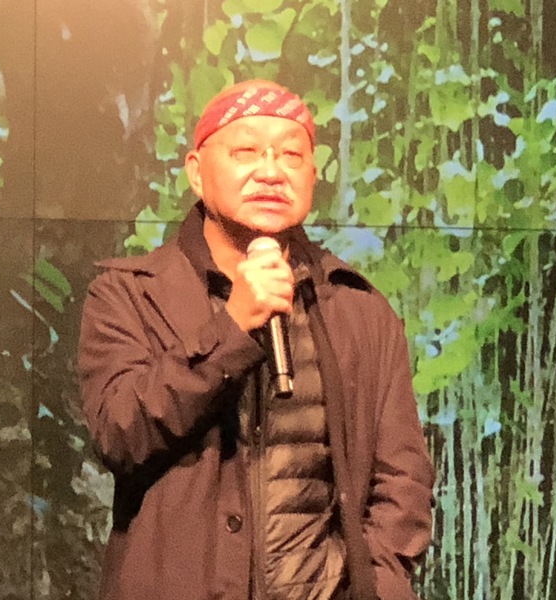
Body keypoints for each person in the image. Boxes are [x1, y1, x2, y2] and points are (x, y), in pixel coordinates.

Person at [78, 79, 435, 600]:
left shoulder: (358, 309)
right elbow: (120, 434)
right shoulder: (130, 295)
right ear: (196, 172)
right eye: (246, 151)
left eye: (291, 154)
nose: (271, 172)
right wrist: (232, 328)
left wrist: (378, 584)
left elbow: (402, 478)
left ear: (313, 175)